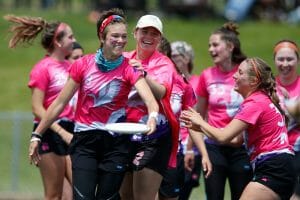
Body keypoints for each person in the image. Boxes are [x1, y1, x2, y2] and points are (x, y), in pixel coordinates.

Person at [27, 8, 159, 200]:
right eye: (115, 36)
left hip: (116, 142)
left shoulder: (129, 68)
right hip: (85, 142)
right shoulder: (83, 65)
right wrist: (37, 135)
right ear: (102, 37)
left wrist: (153, 117)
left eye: (123, 36)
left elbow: (151, 101)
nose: (121, 41)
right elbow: (59, 103)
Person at [181, 57, 296, 200]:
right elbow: (235, 140)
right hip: (279, 166)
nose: (235, 75)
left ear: (253, 81)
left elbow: (223, 137)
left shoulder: (254, 103)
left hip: (274, 167)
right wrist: (200, 128)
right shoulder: (260, 99)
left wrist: (200, 122)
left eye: (240, 73)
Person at [4, 15, 76, 199]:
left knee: (79, 192)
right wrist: (61, 132)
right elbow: (37, 108)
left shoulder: (71, 67)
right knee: (54, 195)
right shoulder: (43, 68)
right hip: (50, 133)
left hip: (71, 130)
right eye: (70, 36)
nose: (74, 40)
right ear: (58, 42)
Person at [120, 15, 179, 200]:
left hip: (154, 136)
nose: (149, 36)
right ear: (135, 33)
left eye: (154, 34)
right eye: (145, 31)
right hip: (124, 133)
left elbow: (161, 92)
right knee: (125, 196)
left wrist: (142, 74)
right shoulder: (122, 58)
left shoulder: (164, 63)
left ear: (160, 39)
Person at [193, 22, 253, 200]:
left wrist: (240, 138)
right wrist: (197, 152)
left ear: (230, 46)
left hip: (241, 148)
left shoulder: (246, 72)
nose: (211, 49)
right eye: (209, 45)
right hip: (214, 148)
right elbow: (198, 115)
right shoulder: (207, 75)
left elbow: (256, 108)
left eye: (215, 44)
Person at [156, 38, 212, 200]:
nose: (171, 60)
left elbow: (197, 117)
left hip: (182, 147)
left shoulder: (189, 84)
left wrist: (193, 150)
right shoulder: (153, 79)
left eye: (175, 56)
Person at [273, 39, 300, 200]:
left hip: (297, 152)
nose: (285, 64)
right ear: (274, 60)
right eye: (280, 59)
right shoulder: (268, 87)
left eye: (290, 59)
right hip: (273, 153)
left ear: (297, 60)